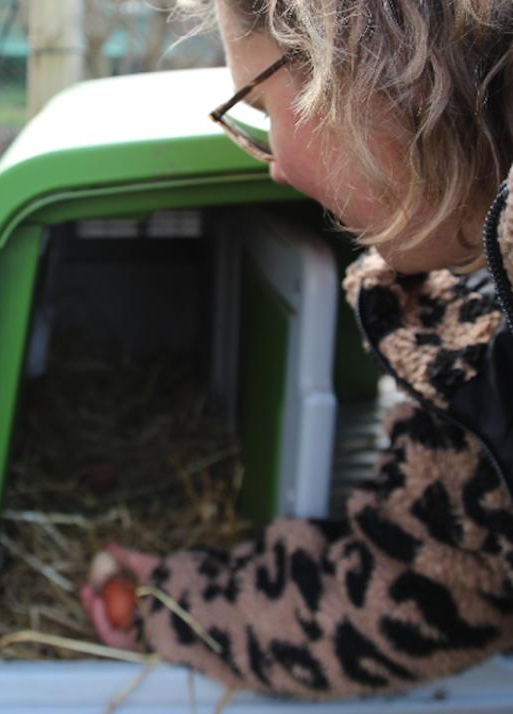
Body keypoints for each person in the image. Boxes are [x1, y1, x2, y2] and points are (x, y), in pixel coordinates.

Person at [82, 0, 513, 699]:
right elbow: (417, 587)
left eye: (258, 105)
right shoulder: (463, 331)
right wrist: (173, 603)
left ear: (358, 71)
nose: (275, 167)